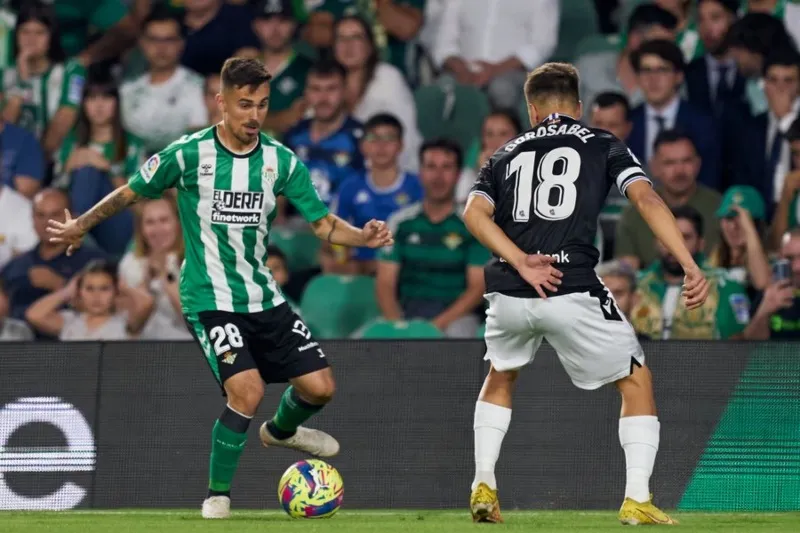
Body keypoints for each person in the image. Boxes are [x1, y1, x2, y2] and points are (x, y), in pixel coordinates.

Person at [46, 57, 393, 520]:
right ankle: (218, 495)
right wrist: (81, 226)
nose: (254, 115)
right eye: (244, 104)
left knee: (320, 388)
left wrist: (362, 236)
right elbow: (130, 192)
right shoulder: (188, 155)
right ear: (221, 102)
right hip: (209, 298)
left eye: (263, 105)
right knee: (245, 391)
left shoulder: (279, 161)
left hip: (263, 296)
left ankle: (283, 431)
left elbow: (324, 224)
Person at [463, 63, 708, 525]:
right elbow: (648, 201)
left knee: (500, 374)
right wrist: (690, 263)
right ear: (577, 107)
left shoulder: (503, 153)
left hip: (509, 292)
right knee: (636, 379)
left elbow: (473, 214)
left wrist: (518, 260)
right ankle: (637, 498)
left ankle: (483, 483)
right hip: (567, 283)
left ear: (531, 109)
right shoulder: (602, 142)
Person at [376, 138, 488, 338]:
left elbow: (477, 288)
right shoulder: (399, 223)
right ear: (420, 173)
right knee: (360, 342)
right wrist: (398, 326)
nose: (438, 176)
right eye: (431, 167)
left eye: (446, 168)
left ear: (458, 175)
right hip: (405, 314)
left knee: (457, 343)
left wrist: (434, 327)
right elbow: (385, 283)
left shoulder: (473, 224)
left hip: (455, 318)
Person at [632, 205, 751, 340]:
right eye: (667, 236)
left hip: (706, 361)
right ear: (656, 241)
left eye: (686, 237)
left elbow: (738, 346)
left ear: (701, 244)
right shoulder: (634, 285)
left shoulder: (725, 285)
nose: (675, 245)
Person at [57, 79, 141, 255]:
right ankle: (76, 232)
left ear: (117, 103)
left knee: (89, 170)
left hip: (117, 223)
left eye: (106, 98)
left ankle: (74, 233)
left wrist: (106, 167)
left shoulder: (132, 144)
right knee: (85, 172)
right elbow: (56, 192)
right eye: (92, 98)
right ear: (84, 104)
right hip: (75, 214)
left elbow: (139, 204)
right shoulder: (72, 142)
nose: (99, 105)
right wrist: (68, 169)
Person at [615, 130, 721, 269]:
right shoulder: (635, 211)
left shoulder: (720, 207)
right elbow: (626, 273)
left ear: (698, 164)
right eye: (669, 163)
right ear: (654, 167)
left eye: (686, 161)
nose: (679, 171)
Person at [0, 189, 106, 325]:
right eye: (40, 215)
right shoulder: (14, 266)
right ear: (32, 219)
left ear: (73, 218)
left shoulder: (94, 263)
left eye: (55, 215)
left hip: (73, 342)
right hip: (16, 342)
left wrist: (59, 285)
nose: (47, 222)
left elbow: (107, 313)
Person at [334, 113, 422, 273]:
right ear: (363, 146)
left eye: (389, 138)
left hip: (405, 269)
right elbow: (334, 233)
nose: (381, 146)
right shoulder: (350, 186)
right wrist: (342, 259)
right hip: (359, 270)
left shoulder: (417, 186)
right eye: (374, 138)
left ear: (401, 145)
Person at [627, 39, 720, 190]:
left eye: (662, 70)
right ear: (637, 77)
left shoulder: (704, 123)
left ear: (679, 76)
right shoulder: (629, 121)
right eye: (646, 70)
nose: (653, 79)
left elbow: (710, 180)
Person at [333, 14, 421, 172]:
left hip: (395, 172)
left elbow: (407, 138)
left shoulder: (388, 78)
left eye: (356, 38)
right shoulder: (328, 83)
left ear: (370, 45)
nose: (348, 46)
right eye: (342, 39)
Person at [1, 1, 86, 156]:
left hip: (59, 162)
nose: (31, 39)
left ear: (51, 37)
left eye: (40, 33)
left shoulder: (73, 71)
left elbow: (64, 121)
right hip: (15, 165)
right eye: (24, 32)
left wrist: (36, 164)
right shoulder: (5, 75)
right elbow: (4, 129)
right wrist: (21, 84)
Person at [121, 7, 208, 154]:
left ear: (181, 44)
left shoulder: (198, 87)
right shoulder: (126, 89)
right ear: (142, 43)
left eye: (169, 40)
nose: (161, 48)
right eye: (154, 40)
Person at [283, 59, 365, 208]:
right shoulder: (293, 136)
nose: (323, 98)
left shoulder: (360, 138)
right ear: (306, 93)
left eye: (331, 89)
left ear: (345, 92)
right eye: (316, 89)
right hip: (295, 226)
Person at [118, 195, 191, 340]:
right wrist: (145, 283)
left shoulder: (194, 261)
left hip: (189, 349)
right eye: (150, 222)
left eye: (164, 220)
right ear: (141, 229)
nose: (157, 230)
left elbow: (195, 321)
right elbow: (130, 327)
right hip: (145, 350)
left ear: (178, 222)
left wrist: (165, 276)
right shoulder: (130, 263)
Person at [26, 259, 154, 341]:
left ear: (115, 292)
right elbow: (34, 315)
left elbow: (146, 303)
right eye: (89, 289)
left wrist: (124, 287)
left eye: (104, 289)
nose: (96, 296)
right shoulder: (70, 321)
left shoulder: (125, 322)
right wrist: (67, 292)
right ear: (79, 291)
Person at [252, 0, 312, 136]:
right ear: (256, 26)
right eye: (267, 20)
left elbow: (298, 119)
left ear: (293, 25)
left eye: (283, 21)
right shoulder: (242, 70)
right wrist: (280, 119)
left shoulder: (307, 69)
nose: (275, 29)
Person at [707, 185, 771, 294]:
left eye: (741, 220)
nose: (733, 227)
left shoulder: (770, 263)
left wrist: (749, 232)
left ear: (756, 225)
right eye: (729, 219)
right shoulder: (713, 261)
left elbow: (762, 283)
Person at [744, 228, 800, 339]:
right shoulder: (769, 294)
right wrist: (764, 312)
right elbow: (749, 345)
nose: (797, 267)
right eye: (789, 258)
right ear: (780, 258)